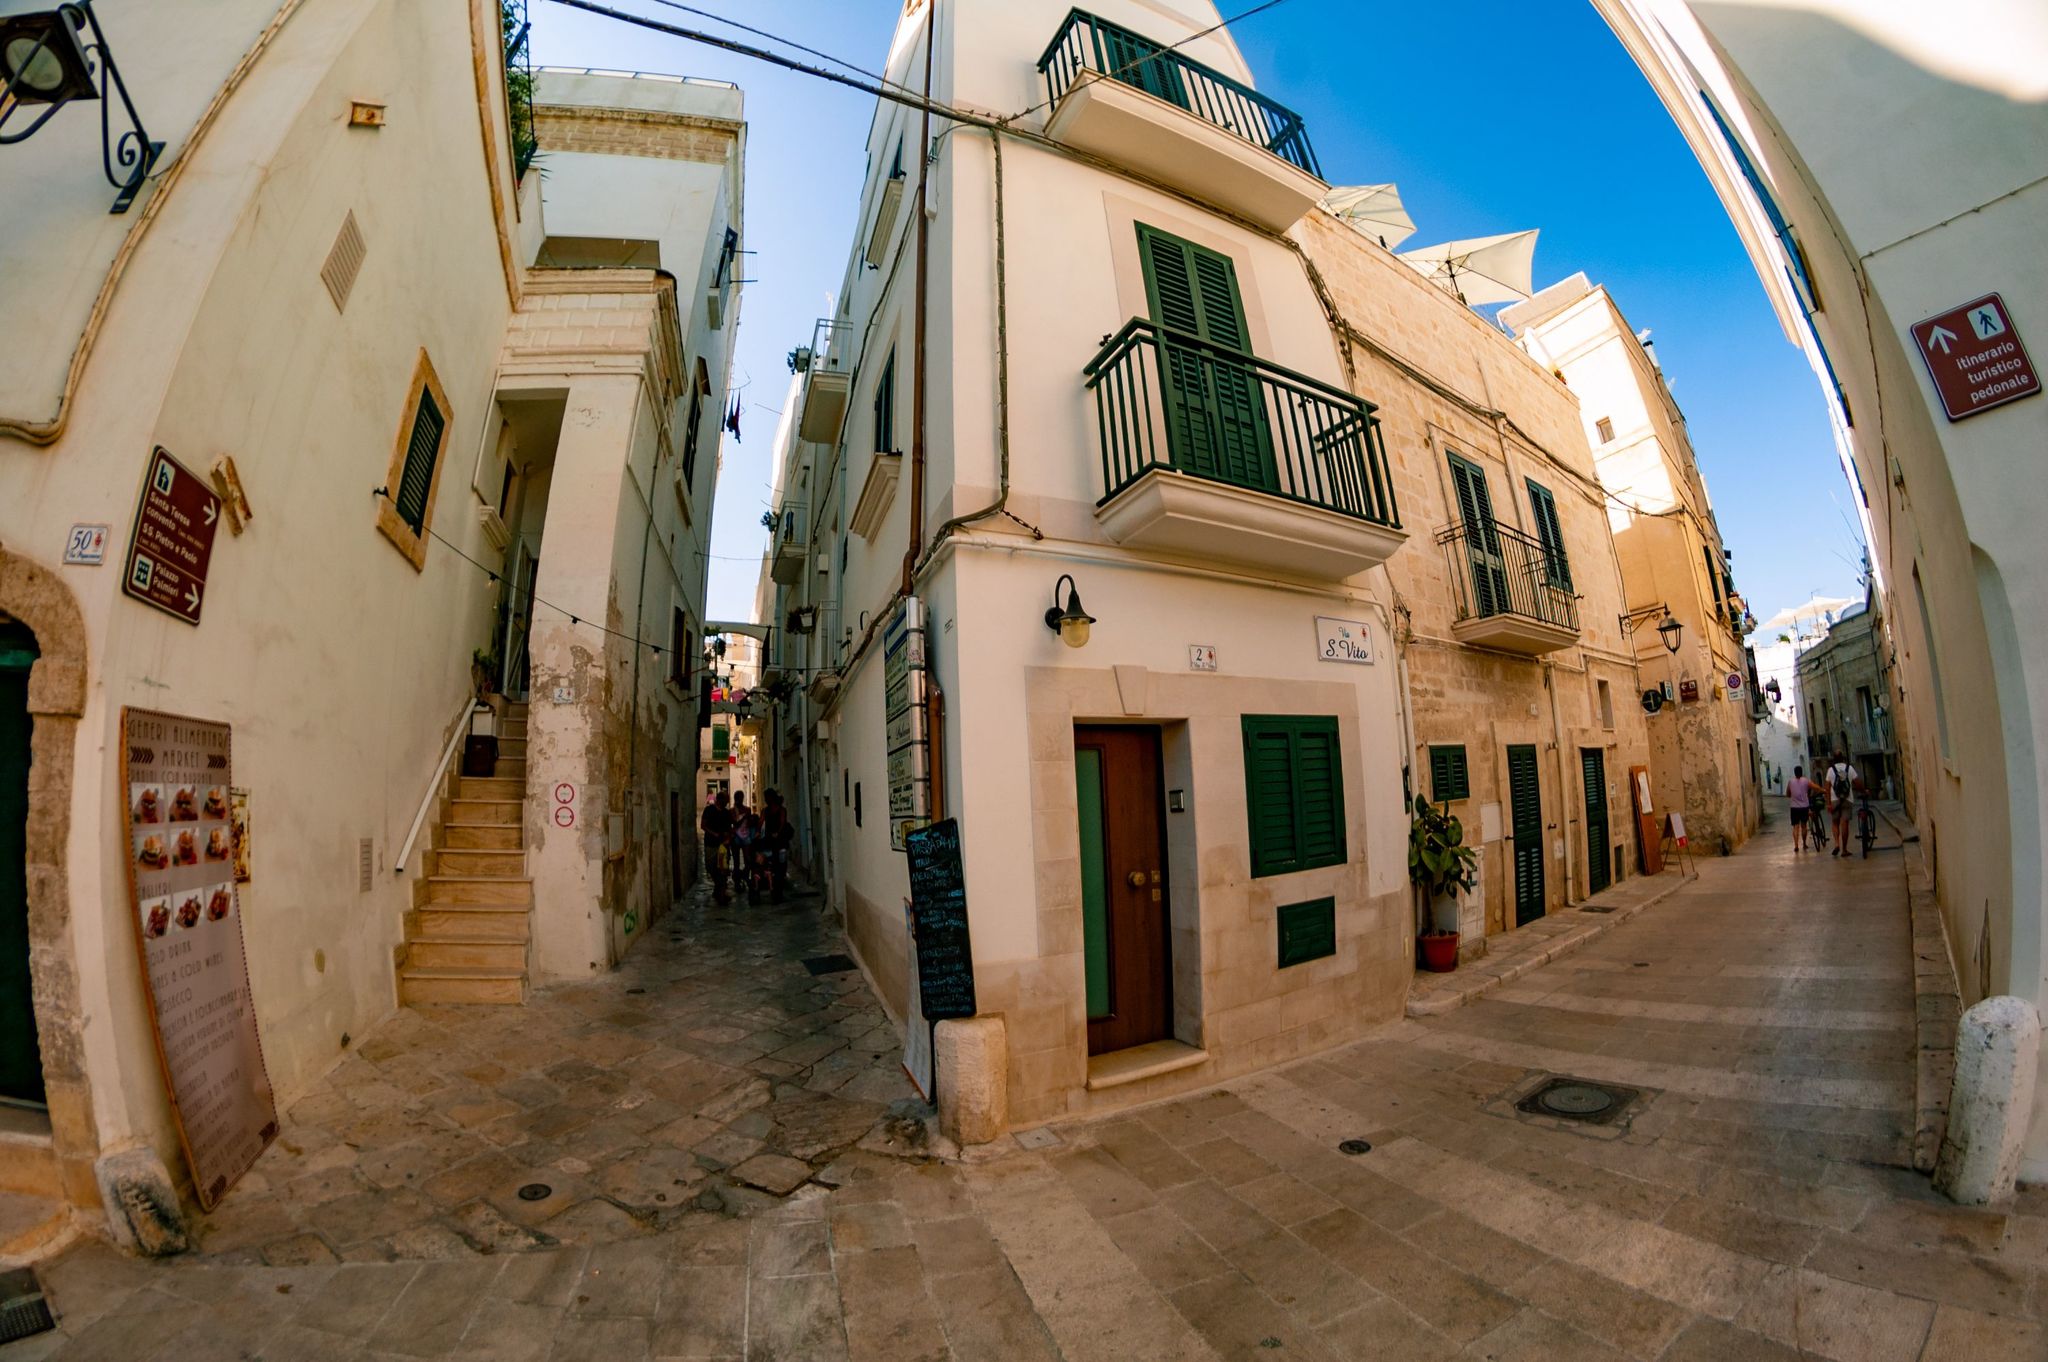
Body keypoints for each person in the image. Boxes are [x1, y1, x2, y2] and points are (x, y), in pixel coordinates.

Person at [1824, 751, 1863, 858]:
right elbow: (1857, 782)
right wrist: (1864, 790)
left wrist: (1828, 803)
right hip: (1847, 799)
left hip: (1834, 800)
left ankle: (1837, 844)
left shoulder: (1830, 770)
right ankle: (1844, 850)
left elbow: (1827, 788)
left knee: (1835, 822)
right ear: (1843, 758)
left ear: (1834, 759)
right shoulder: (1849, 768)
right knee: (1844, 823)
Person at [699, 790, 733, 903]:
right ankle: (718, 888)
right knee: (711, 867)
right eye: (725, 800)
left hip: (723, 845)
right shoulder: (709, 810)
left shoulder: (727, 813)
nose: (727, 802)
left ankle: (722, 894)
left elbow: (729, 828)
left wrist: (728, 839)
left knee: (723, 869)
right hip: (711, 843)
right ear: (719, 800)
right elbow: (703, 825)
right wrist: (714, 833)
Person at [761, 790, 792, 902]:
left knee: (781, 865)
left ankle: (778, 889)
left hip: (780, 841)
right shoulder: (765, 811)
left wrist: (777, 833)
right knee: (773, 865)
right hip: (771, 841)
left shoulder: (781, 810)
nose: (765, 800)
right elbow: (761, 823)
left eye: (767, 797)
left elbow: (782, 822)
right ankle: (775, 889)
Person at [1786, 764, 1817, 851]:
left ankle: (1796, 846)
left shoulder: (1790, 782)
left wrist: (1793, 795)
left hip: (1794, 808)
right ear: (1802, 772)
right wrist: (1823, 790)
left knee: (1796, 827)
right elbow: (1814, 787)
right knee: (1804, 826)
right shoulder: (1806, 781)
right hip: (1804, 807)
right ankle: (1804, 844)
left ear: (1794, 773)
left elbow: (1787, 794)